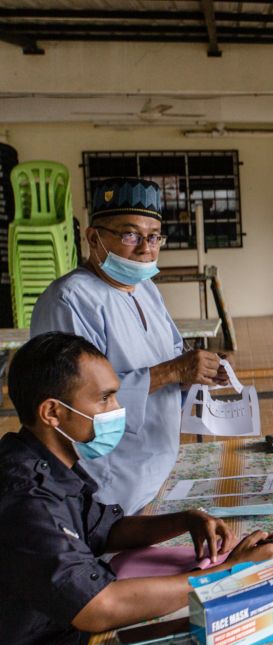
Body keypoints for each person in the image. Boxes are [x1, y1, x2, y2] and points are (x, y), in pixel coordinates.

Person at [0, 332, 273, 645]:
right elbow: (98, 606)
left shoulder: (49, 464)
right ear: (52, 412)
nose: (117, 410)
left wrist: (184, 519)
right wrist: (227, 574)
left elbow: (105, 529)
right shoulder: (25, 495)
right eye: (104, 399)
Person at [31, 177, 226, 515]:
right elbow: (77, 399)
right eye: (130, 235)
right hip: (107, 478)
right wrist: (173, 371)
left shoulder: (145, 288)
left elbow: (171, 357)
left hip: (154, 467)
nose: (145, 248)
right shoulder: (70, 299)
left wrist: (194, 371)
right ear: (94, 238)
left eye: (154, 237)